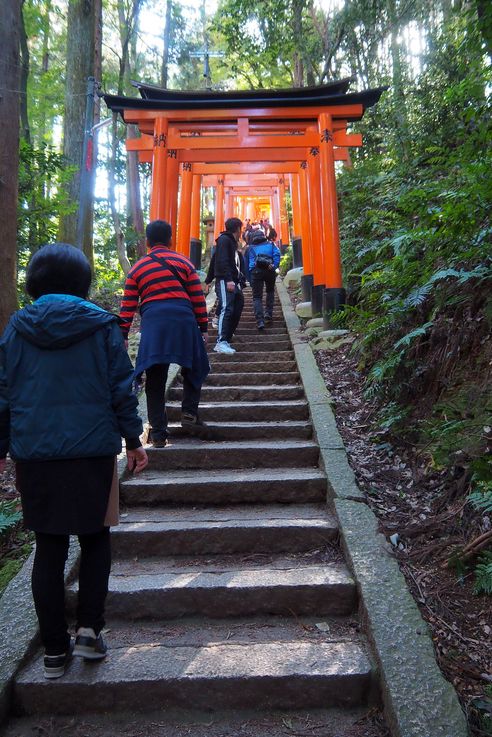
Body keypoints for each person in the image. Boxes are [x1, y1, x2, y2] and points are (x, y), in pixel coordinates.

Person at [0, 243, 148, 680]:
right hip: (92, 450)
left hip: (36, 454)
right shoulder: (102, 326)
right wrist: (133, 439)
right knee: (95, 538)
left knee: (49, 545)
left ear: (34, 282)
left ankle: (52, 649)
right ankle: (89, 631)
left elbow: (4, 394)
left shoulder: (15, 330)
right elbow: (120, 386)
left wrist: (1, 448)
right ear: (82, 282)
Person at [120, 220, 210, 445]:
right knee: (194, 366)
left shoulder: (138, 268)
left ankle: (159, 433)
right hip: (183, 319)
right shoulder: (184, 263)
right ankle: (189, 411)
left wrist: (122, 334)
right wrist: (203, 327)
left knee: (155, 377)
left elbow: (128, 305)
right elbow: (197, 297)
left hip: (154, 325)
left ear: (148, 241)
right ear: (170, 240)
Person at [214, 216, 245, 355]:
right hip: (225, 279)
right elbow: (221, 260)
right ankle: (221, 342)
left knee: (238, 304)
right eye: (241, 229)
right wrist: (228, 279)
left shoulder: (231, 242)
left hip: (234, 279)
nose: (241, 232)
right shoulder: (224, 240)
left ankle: (227, 335)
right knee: (227, 307)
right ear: (238, 228)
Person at [248, 230, 281, 329]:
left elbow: (249, 264)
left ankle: (260, 321)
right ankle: (268, 314)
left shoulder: (251, 248)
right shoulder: (271, 245)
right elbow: (277, 254)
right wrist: (274, 266)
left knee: (257, 297)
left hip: (256, 272)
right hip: (269, 270)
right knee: (270, 291)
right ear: (264, 236)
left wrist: (250, 278)